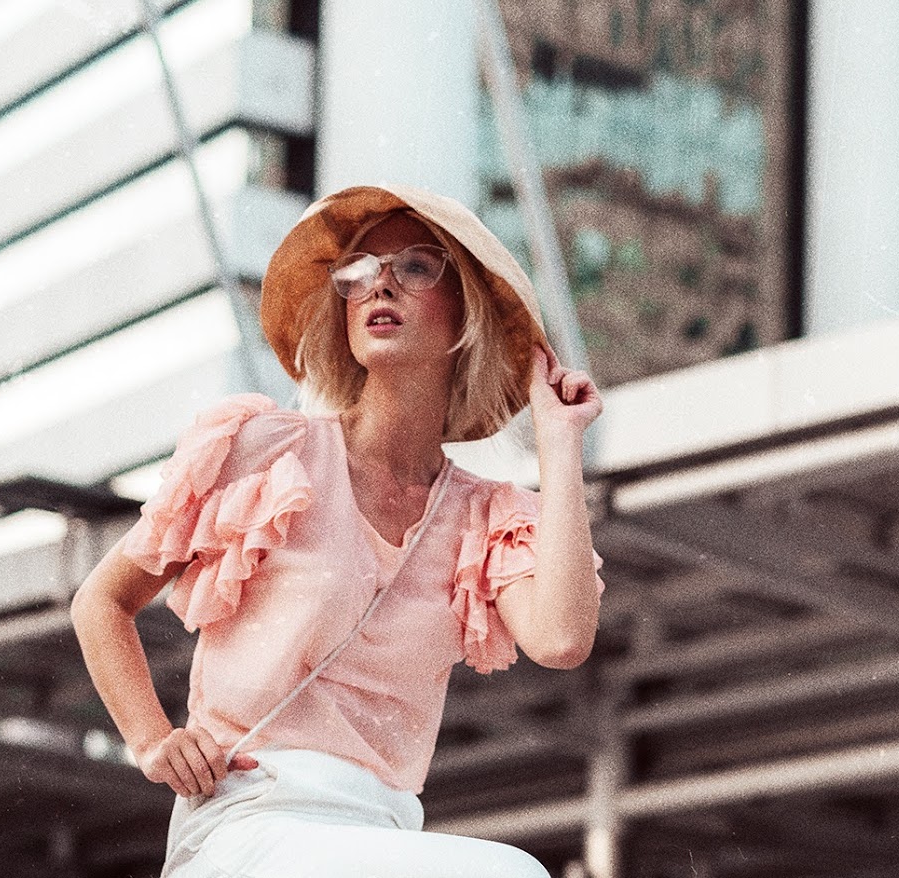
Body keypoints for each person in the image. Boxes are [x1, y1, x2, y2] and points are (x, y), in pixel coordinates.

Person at [71, 184, 604, 878]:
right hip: (246, 823)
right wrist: (151, 740)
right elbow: (102, 601)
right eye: (356, 273)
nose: (378, 284)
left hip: (379, 832)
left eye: (414, 266)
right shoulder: (266, 451)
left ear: (466, 312)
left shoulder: (483, 518)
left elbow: (561, 640)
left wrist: (558, 443)